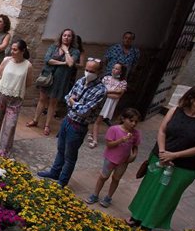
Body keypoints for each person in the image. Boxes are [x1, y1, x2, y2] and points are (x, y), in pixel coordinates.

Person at [127, 85, 195, 231]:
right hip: (160, 158)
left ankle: (149, 224)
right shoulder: (175, 111)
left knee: (165, 196)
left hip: (184, 167)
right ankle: (136, 216)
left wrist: (174, 155)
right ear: (191, 98)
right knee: (148, 189)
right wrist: (164, 152)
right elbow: (162, 131)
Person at [37, 58, 107, 187]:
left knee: (70, 156)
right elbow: (67, 97)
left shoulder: (100, 90)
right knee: (61, 149)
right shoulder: (81, 81)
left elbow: (84, 111)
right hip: (67, 120)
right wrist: (73, 103)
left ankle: (62, 181)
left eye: (92, 71)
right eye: (86, 70)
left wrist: (73, 102)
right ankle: (54, 172)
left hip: (78, 126)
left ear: (99, 72)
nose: (88, 73)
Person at [27, 28, 80, 136]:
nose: (66, 37)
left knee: (53, 103)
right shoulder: (53, 47)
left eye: (69, 36)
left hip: (61, 80)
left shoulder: (75, 51)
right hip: (48, 76)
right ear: (61, 36)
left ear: (72, 38)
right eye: (64, 35)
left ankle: (47, 125)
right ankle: (35, 120)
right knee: (42, 99)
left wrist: (66, 51)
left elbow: (70, 63)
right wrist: (62, 63)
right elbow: (48, 60)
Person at [0, 39, 33, 158]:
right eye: (11, 49)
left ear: (22, 51)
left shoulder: (28, 65)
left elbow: (28, 83)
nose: (12, 51)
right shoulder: (6, 60)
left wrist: (16, 87)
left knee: (10, 124)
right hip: (0, 93)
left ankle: (4, 149)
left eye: (15, 49)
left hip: (16, 98)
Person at [86, 108, 141, 208]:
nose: (133, 124)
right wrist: (121, 140)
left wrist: (134, 155)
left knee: (116, 178)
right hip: (110, 159)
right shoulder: (114, 129)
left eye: (136, 122)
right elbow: (109, 144)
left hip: (123, 161)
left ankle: (108, 197)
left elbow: (135, 146)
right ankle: (95, 194)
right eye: (131, 120)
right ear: (123, 119)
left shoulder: (136, 133)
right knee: (103, 177)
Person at [88, 63, 127, 148]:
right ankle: (94, 139)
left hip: (109, 104)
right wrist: (114, 91)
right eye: (113, 67)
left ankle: (92, 134)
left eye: (117, 69)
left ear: (121, 72)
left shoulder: (123, 83)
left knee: (98, 120)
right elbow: (100, 91)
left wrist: (106, 92)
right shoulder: (106, 78)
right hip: (102, 102)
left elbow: (118, 95)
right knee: (97, 120)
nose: (114, 70)